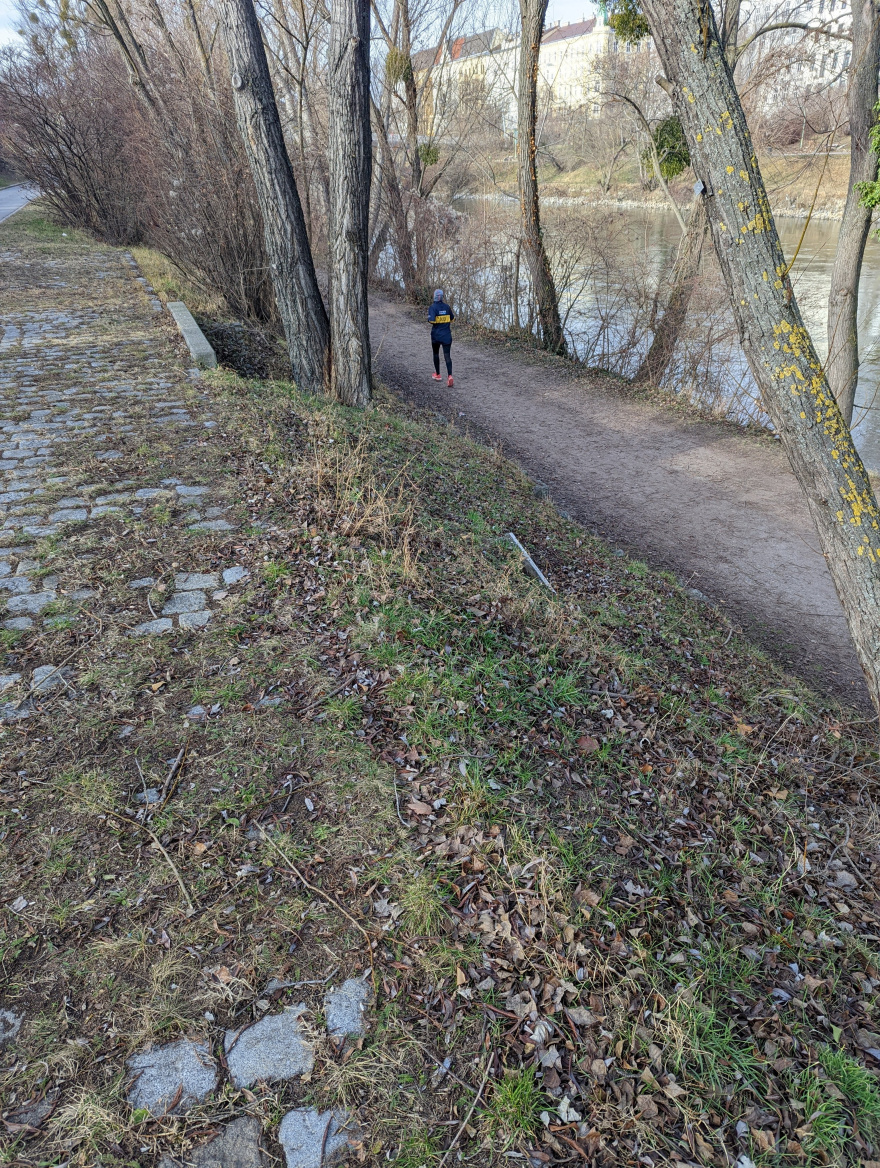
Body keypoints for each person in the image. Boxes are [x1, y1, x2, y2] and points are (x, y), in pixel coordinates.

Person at [428, 288, 455, 387]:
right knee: (447, 356)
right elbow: (452, 319)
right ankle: (450, 376)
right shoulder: (447, 307)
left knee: (436, 354)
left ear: (434, 297)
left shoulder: (432, 307)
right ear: (442, 297)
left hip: (436, 335)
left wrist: (438, 319)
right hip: (447, 335)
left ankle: (438, 374)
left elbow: (431, 321)